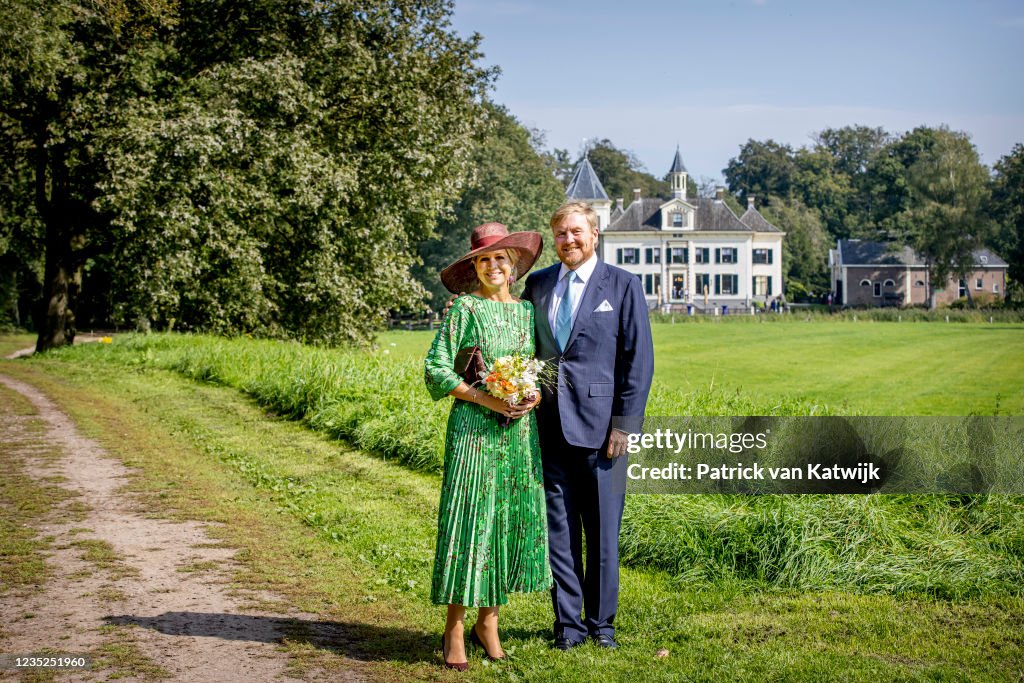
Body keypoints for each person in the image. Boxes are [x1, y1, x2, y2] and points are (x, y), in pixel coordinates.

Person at [521, 202, 654, 650]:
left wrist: (625, 426)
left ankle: (602, 627)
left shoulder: (622, 285)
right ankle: (568, 627)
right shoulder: (537, 285)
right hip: (548, 427)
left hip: (603, 434)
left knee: (601, 536)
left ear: (594, 234)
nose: (568, 241)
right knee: (560, 535)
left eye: (576, 232)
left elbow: (639, 362)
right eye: (560, 234)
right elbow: (520, 345)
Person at [424, 222, 551, 670]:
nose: (493, 265)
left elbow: (531, 368)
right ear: (474, 266)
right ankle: (454, 627)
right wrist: (484, 396)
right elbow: (437, 369)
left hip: (517, 433)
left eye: (501, 258)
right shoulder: (464, 309)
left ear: (513, 265)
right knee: (471, 521)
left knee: (503, 520)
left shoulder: (525, 312)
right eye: (484, 259)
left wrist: (531, 394)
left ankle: (489, 622)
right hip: (474, 432)